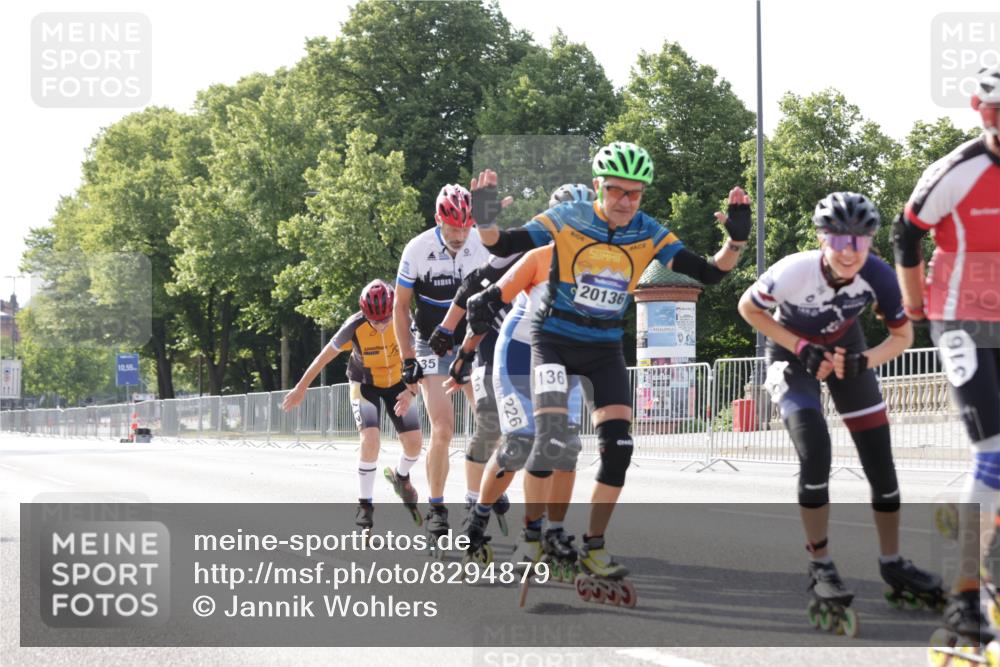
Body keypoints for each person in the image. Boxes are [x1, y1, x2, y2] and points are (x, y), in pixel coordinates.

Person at [473, 142, 749, 581]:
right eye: (616, 190)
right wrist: (484, 216)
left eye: (634, 193)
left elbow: (709, 272)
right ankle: (532, 535)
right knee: (550, 440)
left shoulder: (647, 230)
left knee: (618, 449)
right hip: (554, 341)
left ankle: (594, 545)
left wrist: (735, 240)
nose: (625, 201)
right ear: (598, 186)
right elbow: (503, 242)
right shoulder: (569, 218)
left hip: (603, 348)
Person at [738, 191, 942, 635]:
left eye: (859, 241)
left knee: (881, 462)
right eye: (839, 240)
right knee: (816, 452)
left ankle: (892, 561)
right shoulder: (794, 270)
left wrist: (865, 361)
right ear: (822, 239)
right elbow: (748, 307)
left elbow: (903, 337)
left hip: (848, 350)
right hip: (791, 355)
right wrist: (800, 347)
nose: (849, 252)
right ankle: (821, 563)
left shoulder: (879, 274)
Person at [894, 64, 1000, 645]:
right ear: (981, 112)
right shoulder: (957, 171)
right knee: (993, 452)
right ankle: (963, 597)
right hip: (960, 318)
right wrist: (915, 310)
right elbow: (905, 233)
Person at [451, 185, 595, 568]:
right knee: (520, 443)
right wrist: (465, 352)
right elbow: (484, 304)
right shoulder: (537, 258)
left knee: (565, 448)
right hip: (518, 353)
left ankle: (546, 531)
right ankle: (479, 517)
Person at [282, 279, 422, 529]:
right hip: (364, 383)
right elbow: (323, 357)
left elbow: (421, 357)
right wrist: (301, 388)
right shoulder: (353, 326)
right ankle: (365, 505)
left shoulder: (405, 319)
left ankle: (401, 478)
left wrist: (412, 391)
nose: (381, 326)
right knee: (370, 440)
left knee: (414, 444)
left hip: (399, 382)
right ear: (364, 314)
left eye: (386, 319)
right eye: (375, 321)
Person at [394, 184, 490, 539]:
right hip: (431, 344)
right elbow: (400, 307)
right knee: (444, 428)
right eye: (452, 228)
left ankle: (476, 498)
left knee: (489, 422)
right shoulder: (417, 249)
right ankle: (436, 509)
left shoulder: (481, 245)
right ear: (438, 219)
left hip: (472, 340)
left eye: (465, 227)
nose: (459, 236)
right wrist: (408, 359)